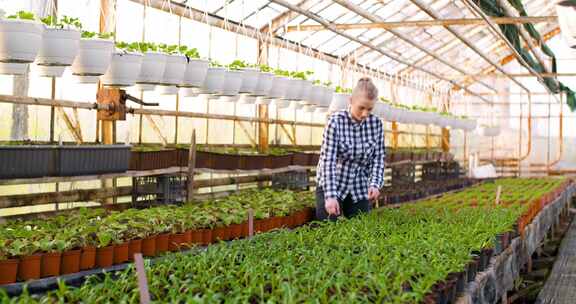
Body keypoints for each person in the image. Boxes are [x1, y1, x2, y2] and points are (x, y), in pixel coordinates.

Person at [315, 77, 385, 221]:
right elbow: (328, 161)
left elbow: (378, 158)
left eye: (370, 109)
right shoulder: (335, 122)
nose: (365, 114)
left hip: (359, 186)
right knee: (328, 228)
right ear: (351, 100)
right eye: (361, 107)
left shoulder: (376, 124)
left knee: (361, 231)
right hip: (334, 183)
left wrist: (375, 184)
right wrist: (330, 196)